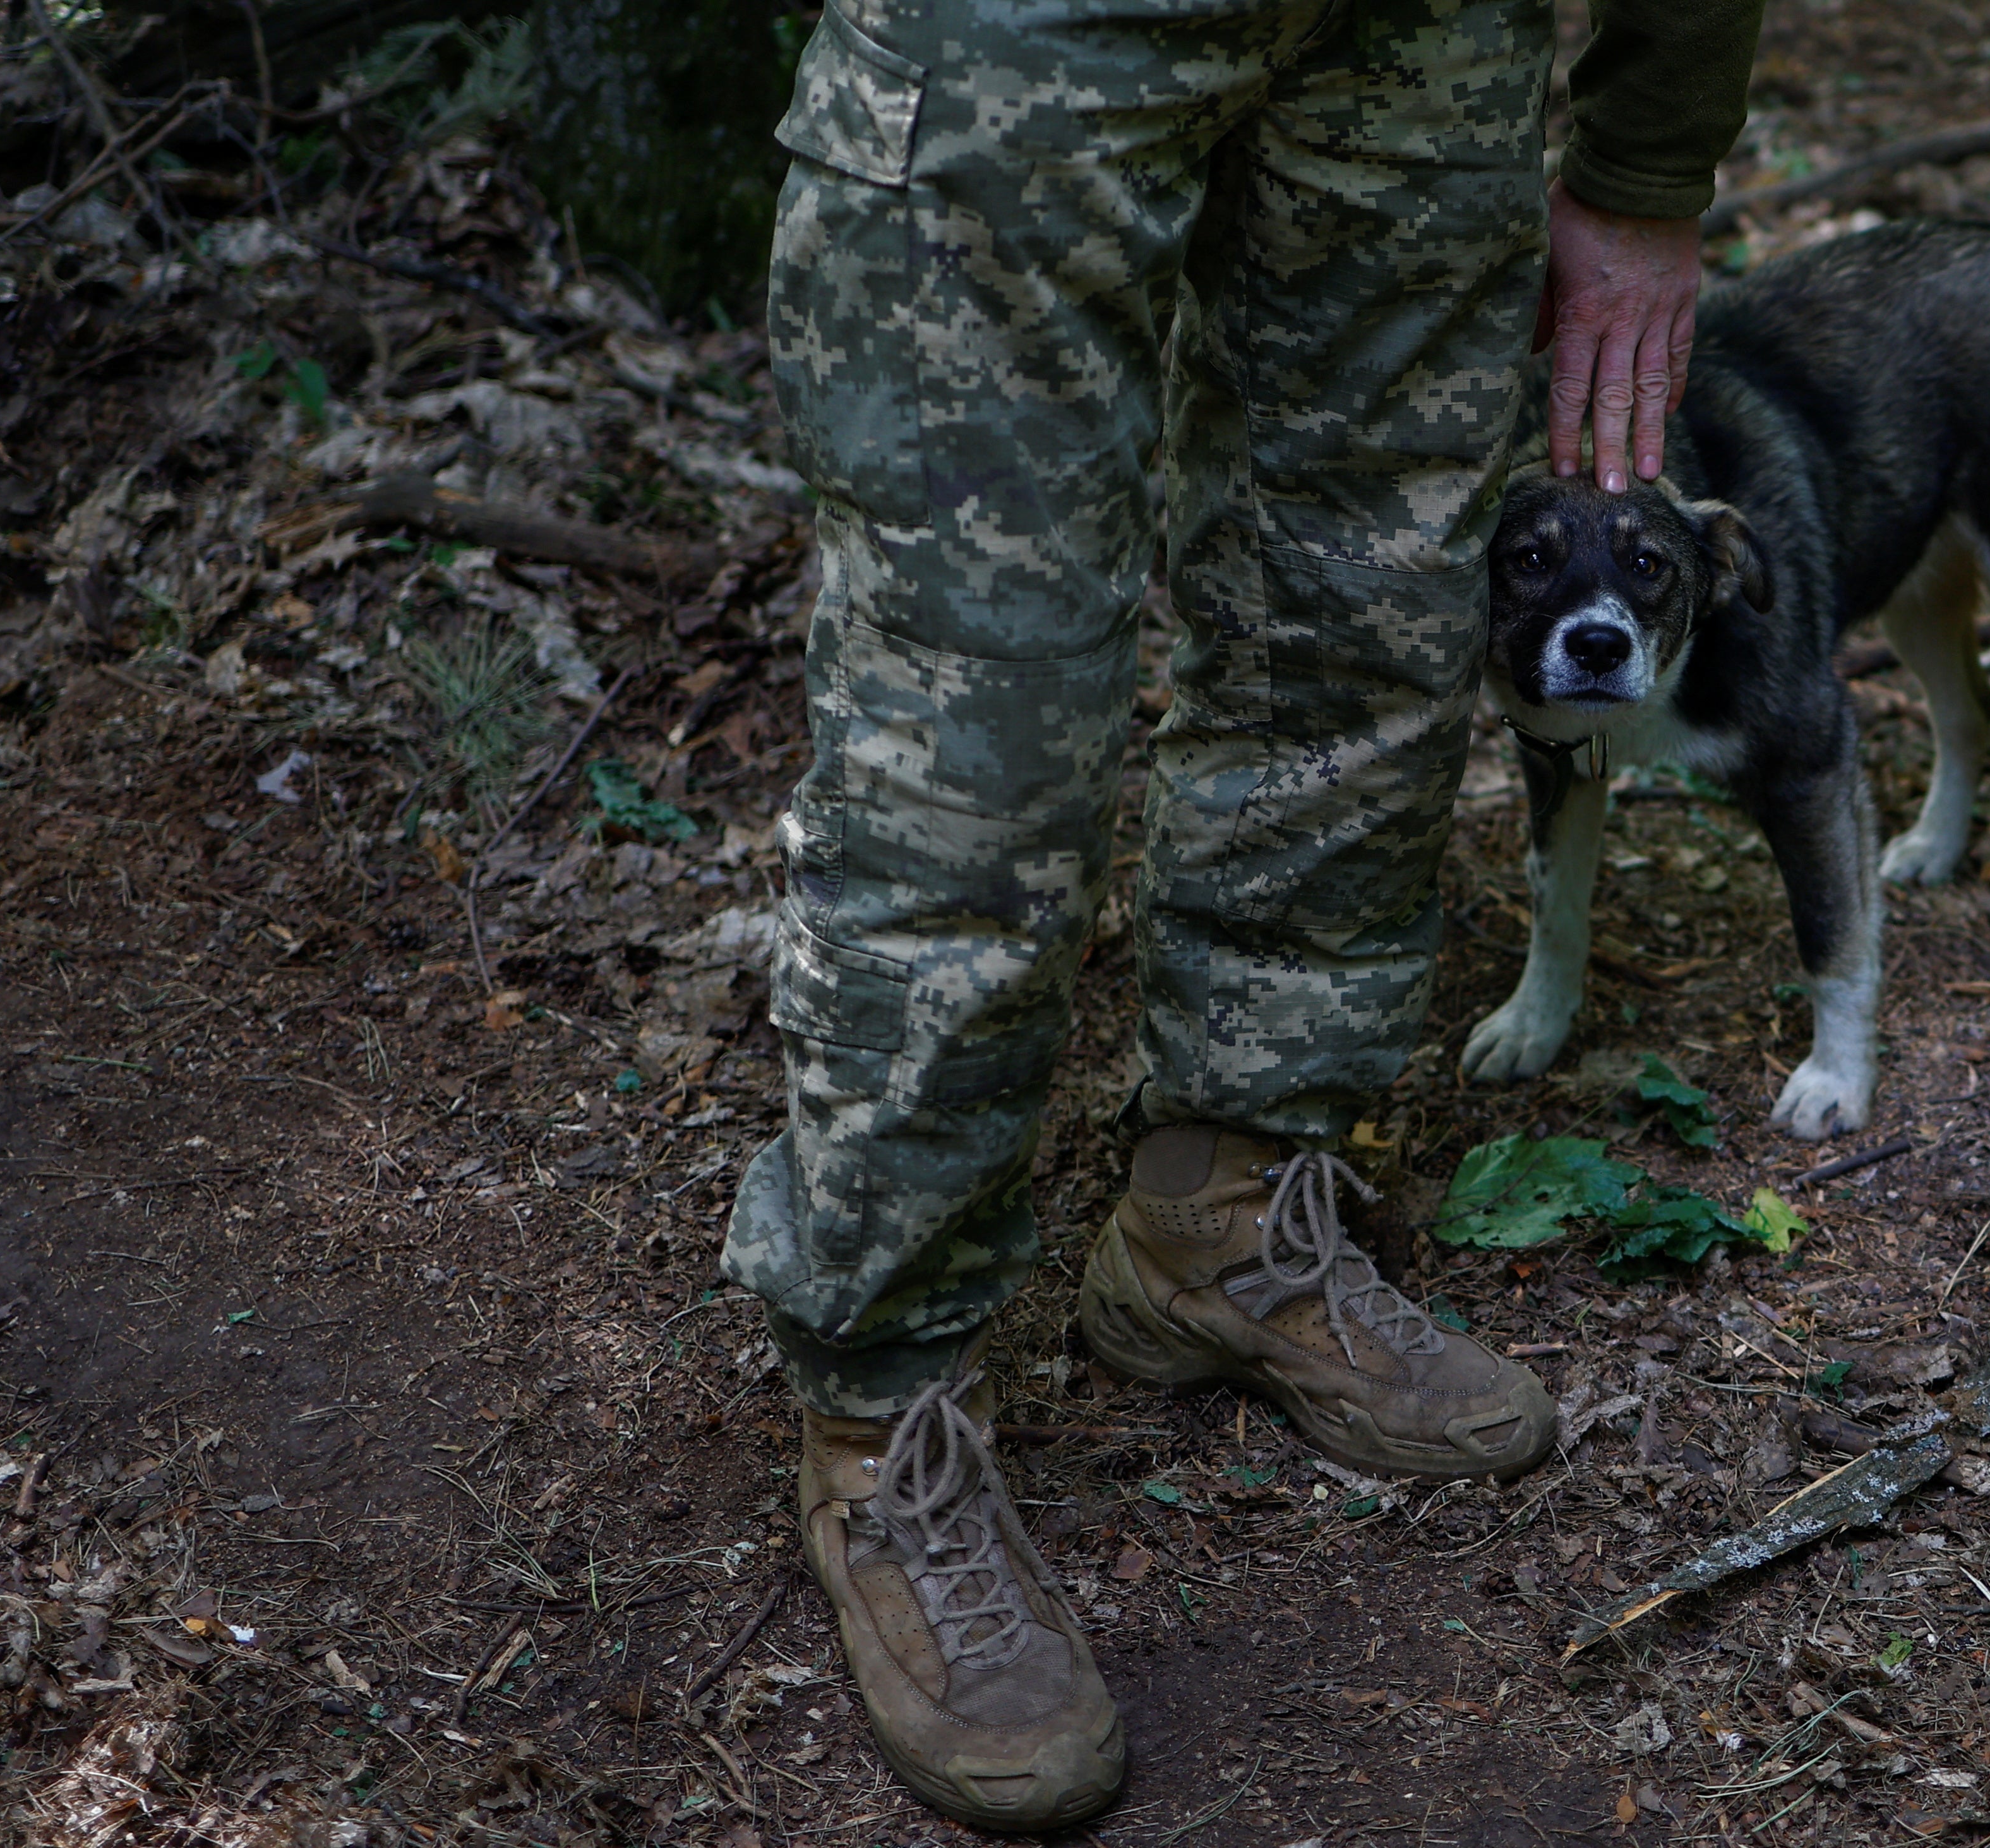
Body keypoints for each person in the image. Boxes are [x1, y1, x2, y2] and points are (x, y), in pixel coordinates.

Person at [727, 0, 1758, 1829]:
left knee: (1354, 637)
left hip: (1420, 45)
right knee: (977, 713)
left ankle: (1214, 1222)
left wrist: (1648, 153)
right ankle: (884, 1413)